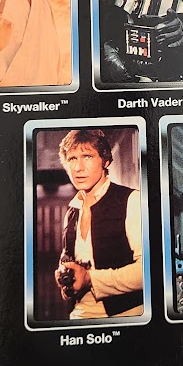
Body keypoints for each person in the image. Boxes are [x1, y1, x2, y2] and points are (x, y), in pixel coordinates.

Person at [54, 129, 144, 319]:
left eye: (87, 156)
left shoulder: (131, 200)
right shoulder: (72, 212)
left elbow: (147, 270)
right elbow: (68, 261)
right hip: (79, 315)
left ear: (105, 161)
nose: (78, 167)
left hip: (125, 316)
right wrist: (66, 278)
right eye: (72, 159)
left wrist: (90, 279)